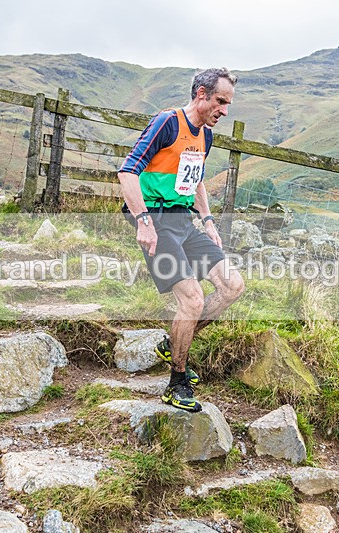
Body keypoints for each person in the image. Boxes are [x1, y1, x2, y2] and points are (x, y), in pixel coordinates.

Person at [117, 67, 245, 412]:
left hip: (185, 221)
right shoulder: (168, 122)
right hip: (156, 220)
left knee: (233, 286)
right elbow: (127, 171)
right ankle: (176, 381)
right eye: (220, 101)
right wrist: (143, 222)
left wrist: (209, 221)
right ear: (201, 95)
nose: (224, 110)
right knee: (193, 299)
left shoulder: (206, 135)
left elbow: (196, 179)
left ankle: (172, 343)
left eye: (228, 104)